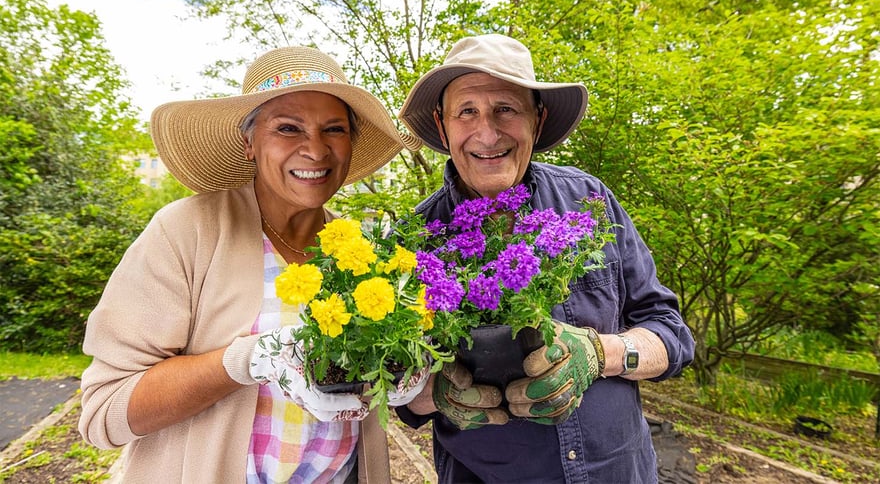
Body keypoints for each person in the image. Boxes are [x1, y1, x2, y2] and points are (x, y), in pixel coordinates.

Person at [77, 46, 425, 483]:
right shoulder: (188, 231)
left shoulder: (359, 250)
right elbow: (104, 412)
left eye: (333, 129)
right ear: (249, 142)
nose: (315, 149)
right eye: (288, 128)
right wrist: (250, 360)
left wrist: (414, 372)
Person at [396, 34, 696, 483]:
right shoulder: (416, 240)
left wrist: (601, 352)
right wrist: (435, 393)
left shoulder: (591, 201)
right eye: (467, 112)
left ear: (538, 119)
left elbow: (671, 335)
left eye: (506, 109)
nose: (487, 132)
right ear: (443, 127)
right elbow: (401, 395)